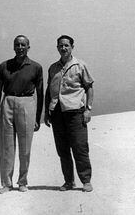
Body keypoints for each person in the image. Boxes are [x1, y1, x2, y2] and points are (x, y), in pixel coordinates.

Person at [0, 35, 43, 194]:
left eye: (23, 44)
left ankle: (22, 181)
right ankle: (6, 183)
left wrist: (37, 118)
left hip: (27, 103)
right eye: (17, 44)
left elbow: (40, 94)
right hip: (7, 102)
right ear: (13, 47)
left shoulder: (36, 67)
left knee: (25, 146)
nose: (20, 47)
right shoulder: (4, 66)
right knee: (6, 146)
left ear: (28, 47)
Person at [44, 35, 94, 192]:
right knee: (63, 149)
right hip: (57, 113)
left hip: (75, 112)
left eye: (66, 45)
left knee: (80, 147)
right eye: (60, 45)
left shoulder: (80, 65)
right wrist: (47, 112)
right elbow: (49, 90)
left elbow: (89, 87)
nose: (63, 48)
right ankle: (68, 181)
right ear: (57, 47)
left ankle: (86, 180)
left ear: (72, 47)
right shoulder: (53, 68)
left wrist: (88, 109)